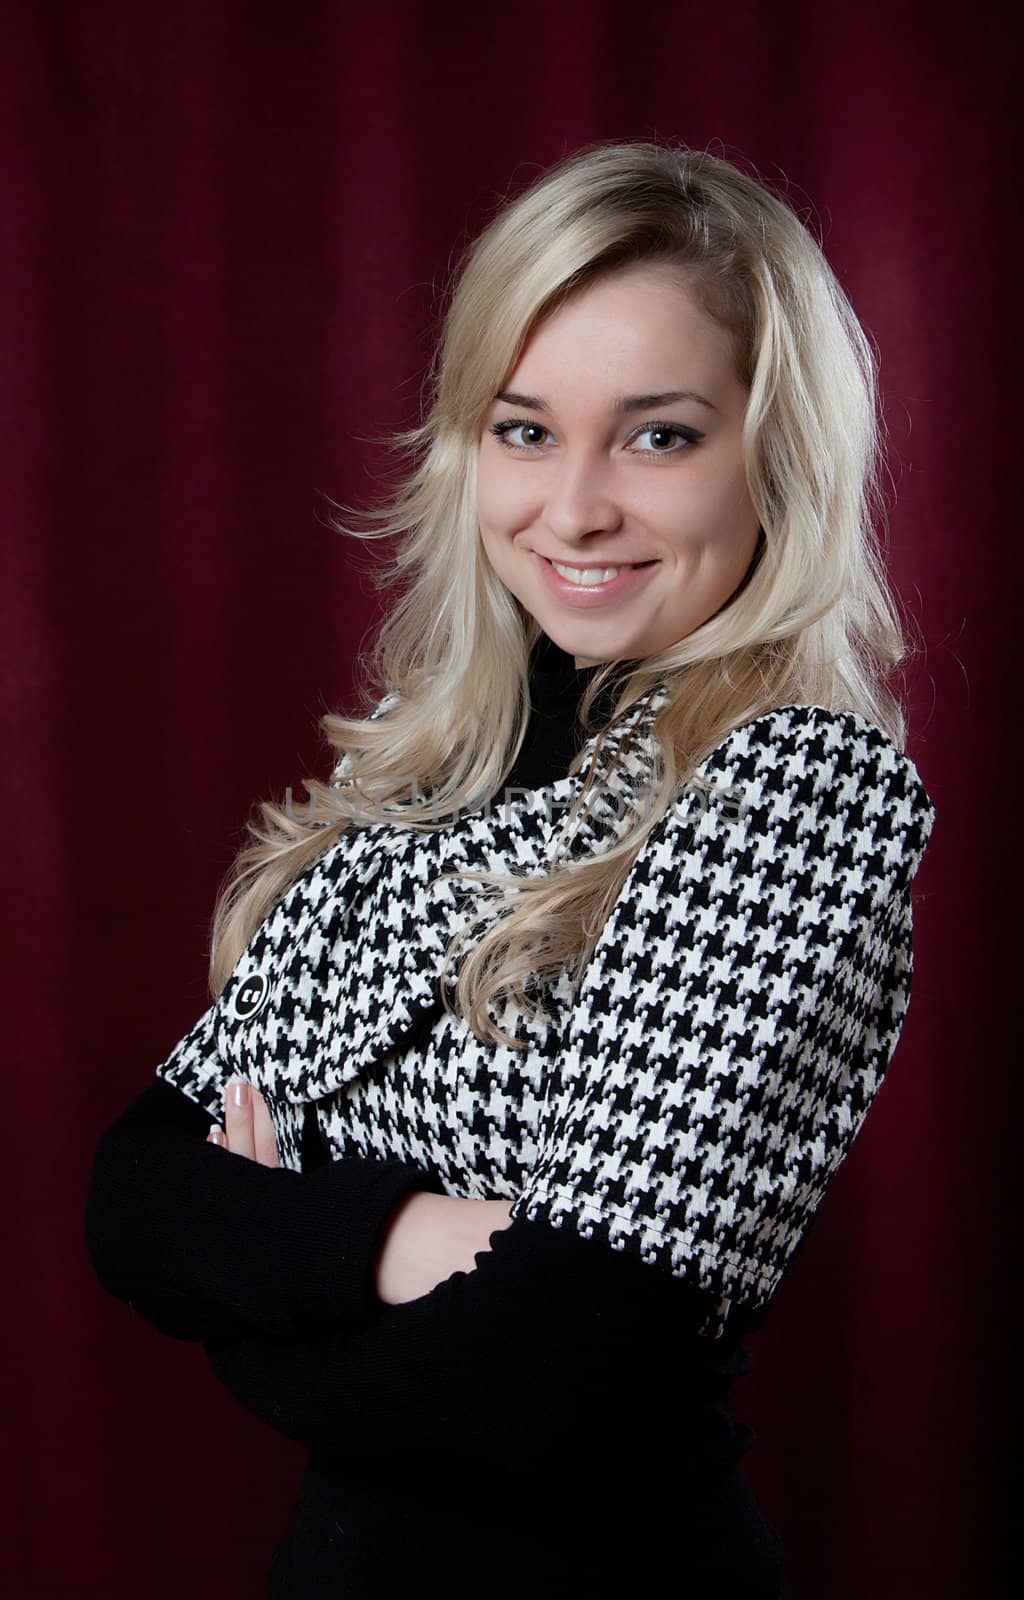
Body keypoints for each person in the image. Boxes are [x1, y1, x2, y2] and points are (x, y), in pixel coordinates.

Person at [84, 139, 937, 1599]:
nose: (575, 509)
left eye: (658, 435)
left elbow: (537, 1381)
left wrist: (259, 1287)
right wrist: (412, 1239)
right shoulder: (429, 776)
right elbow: (138, 1197)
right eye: (526, 429)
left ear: (777, 452)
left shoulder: (794, 786)